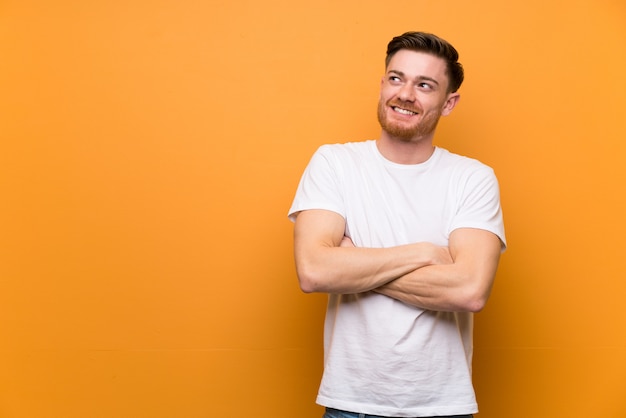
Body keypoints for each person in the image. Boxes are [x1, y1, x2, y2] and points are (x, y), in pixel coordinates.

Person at [288, 31, 506, 418]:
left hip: (443, 407)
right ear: (382, 83)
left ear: (449, 102)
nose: (405, 94)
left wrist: (354, 264)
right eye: (396, 78)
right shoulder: (335, 164)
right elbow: (315, 271)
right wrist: (423, 253)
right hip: (349, 404)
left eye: (425, 85)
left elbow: (470, 291)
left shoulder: (472, 178)